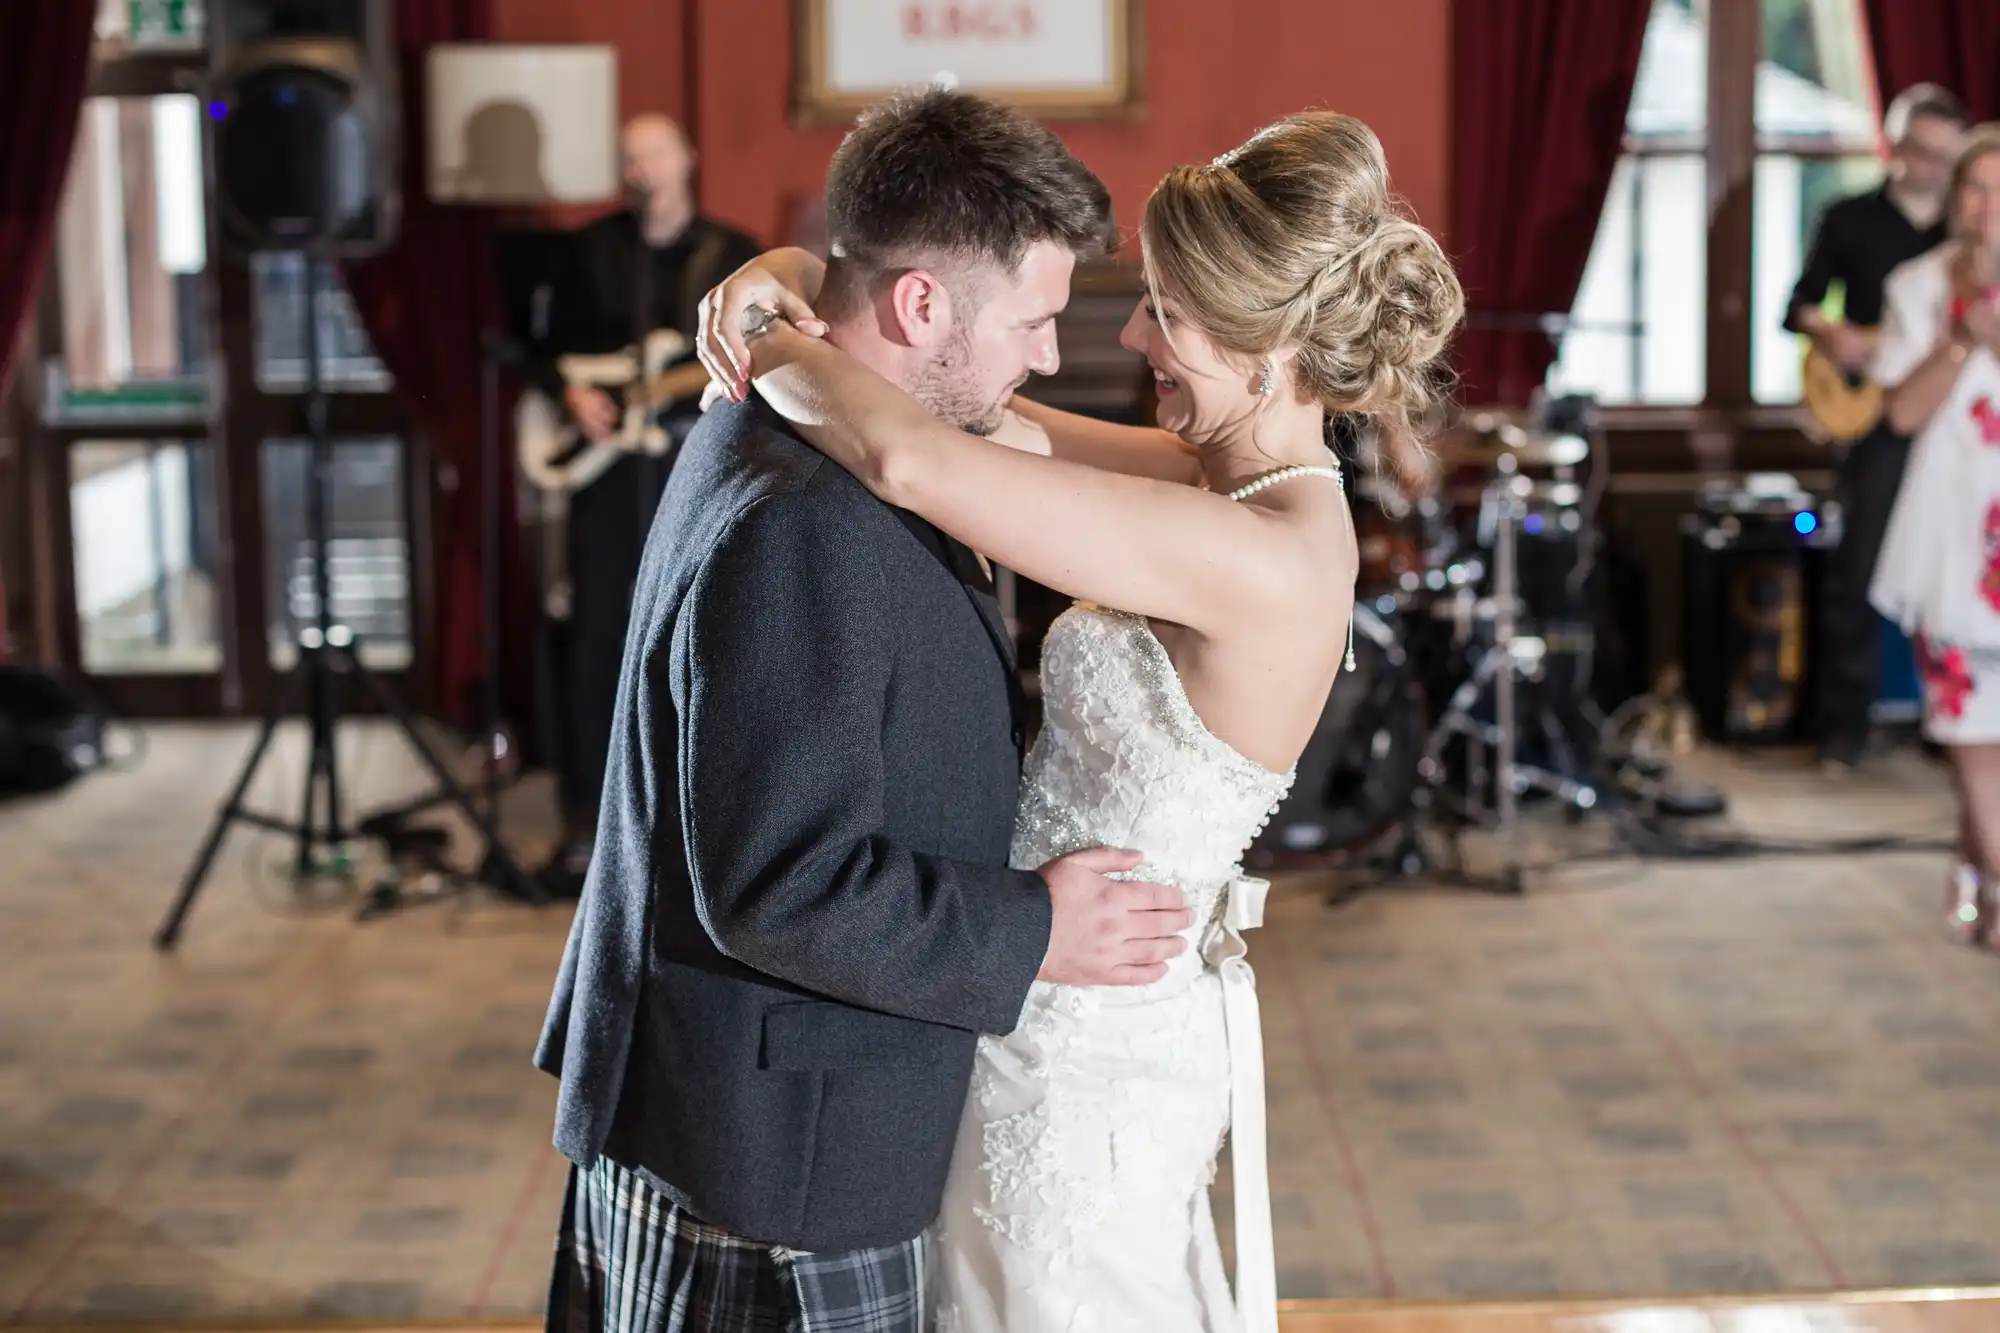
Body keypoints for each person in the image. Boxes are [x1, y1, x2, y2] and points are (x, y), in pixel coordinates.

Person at [702, 108, 1462, 1333]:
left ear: (1266, 351)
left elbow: (909, 459)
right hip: (1040, 996)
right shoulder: (1227, 476)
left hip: (1086, 1051)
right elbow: (986, 419)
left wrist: (759, 329)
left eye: (1166, 311)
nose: (1128, 336)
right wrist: (798, 276)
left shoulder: (1259, 554)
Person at [534, 90, 1197, 1333]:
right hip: (774, 1156)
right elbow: (776, 880)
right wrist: (1031, 928)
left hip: (750, 1106)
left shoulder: (787, 411)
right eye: (1036, 320)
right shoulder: (807, 518)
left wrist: (773, 273)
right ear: (921, 305)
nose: (1050, 356)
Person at [525, 114, 763, 895]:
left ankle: (688, 820)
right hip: (605, 476)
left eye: (654, 153)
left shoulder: (730, 255)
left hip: (690, 470)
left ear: (686, 160)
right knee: (597, 633)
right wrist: (572, 392)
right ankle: (586, 817)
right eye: (629, 157)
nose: (641, 168)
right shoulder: (590, 249)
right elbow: (538, 342)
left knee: (697, 633)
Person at [1786, 84, 1969, 771]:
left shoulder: (1964, 235)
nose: (1932, 170)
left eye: (1946, 160)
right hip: (1874, 412)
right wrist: (1836, 335)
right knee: (1858, 570)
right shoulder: (1850, 218)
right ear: (1895, 147)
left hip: (1953, 418)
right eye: (1922, 153)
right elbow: (1799, 304)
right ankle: (1844, 728)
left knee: (1953, 573)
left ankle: (1945, 720)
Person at [1869, 125, 2000, 944]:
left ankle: (1974, 857)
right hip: (1951, 535)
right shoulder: (1917, 285)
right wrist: (1964, 337)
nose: (1990, 209)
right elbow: (1901, 410)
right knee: (1970, 722)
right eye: (1976, 190)